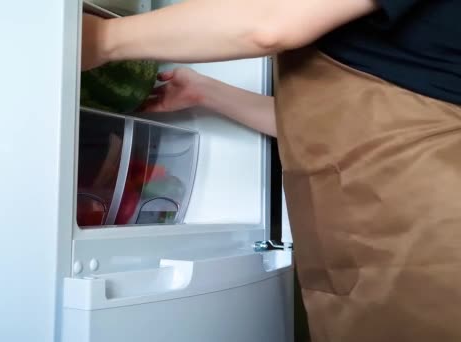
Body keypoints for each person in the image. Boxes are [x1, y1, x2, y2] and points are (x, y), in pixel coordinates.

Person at [82, 1, 461, 341]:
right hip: (385, 234)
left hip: (423, 234)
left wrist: (99, 38)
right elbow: (343, 126)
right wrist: (207, 94)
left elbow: (272, 22)